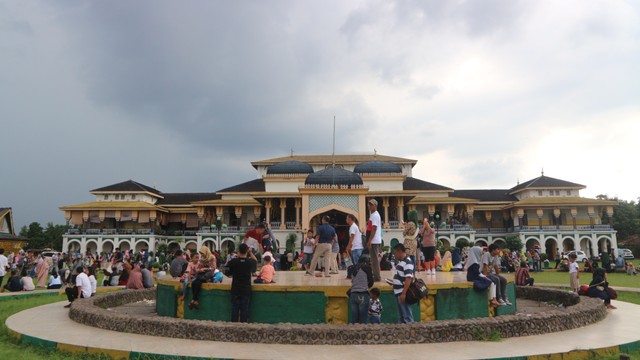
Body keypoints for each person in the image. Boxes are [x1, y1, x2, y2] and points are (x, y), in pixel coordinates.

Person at [224, 243, 257, 322]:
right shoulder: (250, 262)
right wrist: (250, 252)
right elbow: (255, 260)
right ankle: (243, 324)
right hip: (246, 288)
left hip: (235, 288)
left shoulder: (233, 261)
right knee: (244, 308)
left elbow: (226, 271)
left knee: (235, 307)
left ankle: (234, 324)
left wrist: (230, 275)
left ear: (238, 251)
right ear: (247, 251)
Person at [392, 243, 414, 323]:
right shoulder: (402, 262)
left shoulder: (407, 262)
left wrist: (404, 293)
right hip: (399, 292)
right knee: (402, 317)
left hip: (402, 292)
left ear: (399, 251)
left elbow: (408, 278)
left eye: (395, 253)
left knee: (407, 317)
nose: (394, 255)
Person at [349, 255, 373, 324]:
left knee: (354, 318)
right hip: (363, 294)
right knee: (362, 320)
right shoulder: (367, 267)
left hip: (353, 294)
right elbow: (371, 282)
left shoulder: (354, 267)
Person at [366, 199, 383, 282]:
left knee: (374, 260)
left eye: (371, 205)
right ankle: (376, 275)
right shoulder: (372, 215)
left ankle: (377, 277)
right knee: (373, 260)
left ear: (375, 206)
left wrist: (369, 240)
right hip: (373, 240)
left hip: (374, 241)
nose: (369, 206)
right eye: (369, 204)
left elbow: (374, 228)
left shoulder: (375, 215)